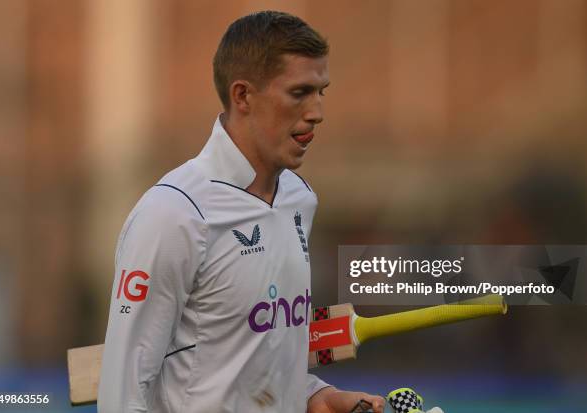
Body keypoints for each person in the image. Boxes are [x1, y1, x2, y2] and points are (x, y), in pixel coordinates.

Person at [98, 11, 385, 413]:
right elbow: (121, 396)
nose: (317, 111)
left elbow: (257, 358)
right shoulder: (173, 213)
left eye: (322, 91)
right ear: (243, 96)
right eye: (300, 92)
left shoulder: (299, 200)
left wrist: (314, 395)